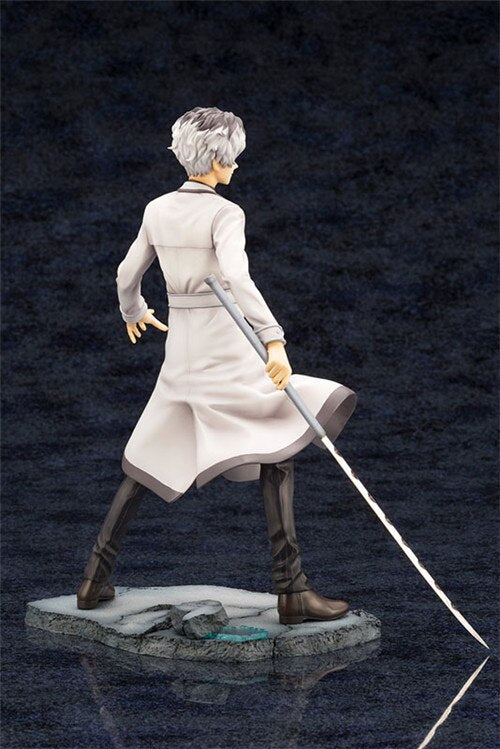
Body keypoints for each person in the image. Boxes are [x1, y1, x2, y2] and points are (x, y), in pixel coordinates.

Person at [76, 107, 358, 624]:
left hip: (182, 352)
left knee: (147, 458)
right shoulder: (225, 213)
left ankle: (94, 580)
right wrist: (274, 340)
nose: (235, 166)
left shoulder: (157, 209)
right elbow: (239, 280)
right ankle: (292, 591)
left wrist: (133, 310)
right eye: (231, 157)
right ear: (213, 158)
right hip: (225, 350)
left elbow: (125, 273)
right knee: (278, 440)